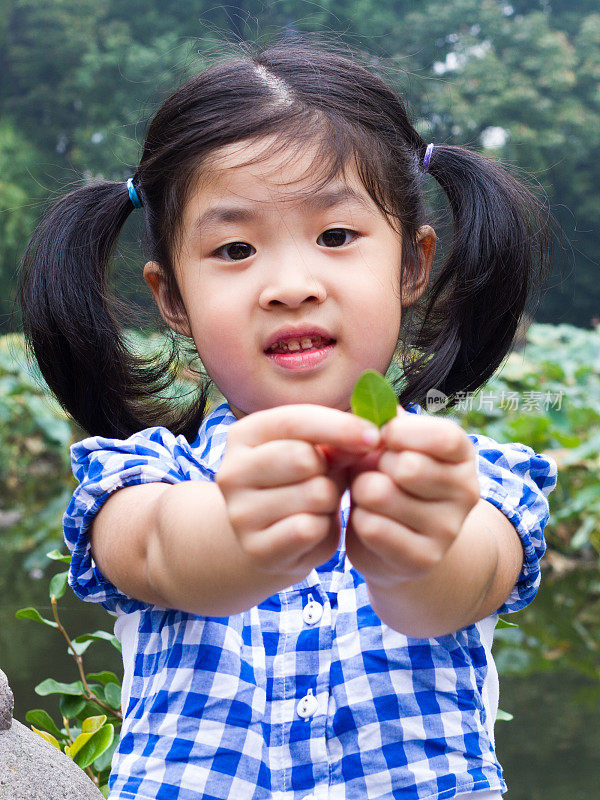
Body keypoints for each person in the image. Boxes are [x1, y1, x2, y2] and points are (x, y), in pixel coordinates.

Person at [19, 39, 558, 800]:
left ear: (412, 265)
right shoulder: (145, 482)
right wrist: (240, 531)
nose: (290, 285)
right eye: (234, 248)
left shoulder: (468, 480)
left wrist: (409, 550)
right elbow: (163, 552)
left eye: (336, 237)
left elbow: (458, 587)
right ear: (172, 298)